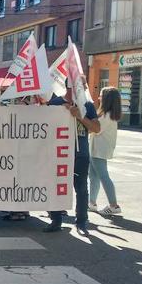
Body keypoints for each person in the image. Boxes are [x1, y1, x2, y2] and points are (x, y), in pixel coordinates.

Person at [46, 78, 100, 234]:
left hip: (80, 155)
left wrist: (79, 116)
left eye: (84, 86)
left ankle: (82, 221)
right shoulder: (55, 103)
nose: (83, 89)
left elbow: (96, 128)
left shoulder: (87, 105)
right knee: (56, 187)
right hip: (58, 154)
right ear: (69, 87)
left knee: (81, 189)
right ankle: (56, 220)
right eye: (80, 86)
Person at [89, 87, 122, 216]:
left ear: (107, 99)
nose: (99, 98)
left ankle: (114, 205)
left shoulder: (106, 116)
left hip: (99, 150)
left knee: (103, 176)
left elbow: (95, 129)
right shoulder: (108, 114)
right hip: (96, 149)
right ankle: (92, 203)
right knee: (93, 176)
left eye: (101, 95)